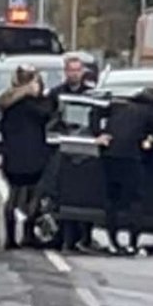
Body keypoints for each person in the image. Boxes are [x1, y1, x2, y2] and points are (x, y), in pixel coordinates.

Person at [96, 87, 153, 256]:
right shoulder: (152, 112)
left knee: (112, 199)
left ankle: (113, 243)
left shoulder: (120, 106)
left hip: (110, 154)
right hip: (132, 158)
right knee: (135, 200)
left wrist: (99, 134)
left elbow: (96, 112)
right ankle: (132, 244)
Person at [0, 66, 53, 249]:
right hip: (34, 157)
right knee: (35, 195)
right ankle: (28, 233)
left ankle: (10, 237)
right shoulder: (35, 104)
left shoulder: (8, 103)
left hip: (12, 156)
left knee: (13, 196)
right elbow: (46, 114)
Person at [47, 55, 96, 252]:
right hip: (64, 151)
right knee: (65, 198)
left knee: (86, 197)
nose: (74, 74)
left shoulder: (91, 94)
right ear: (65, 72)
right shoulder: (56, 94)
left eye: (77, 70)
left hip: (87, 152)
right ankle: (65, 238)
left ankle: (85, 237)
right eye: (71, 70)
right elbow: (50, 121)